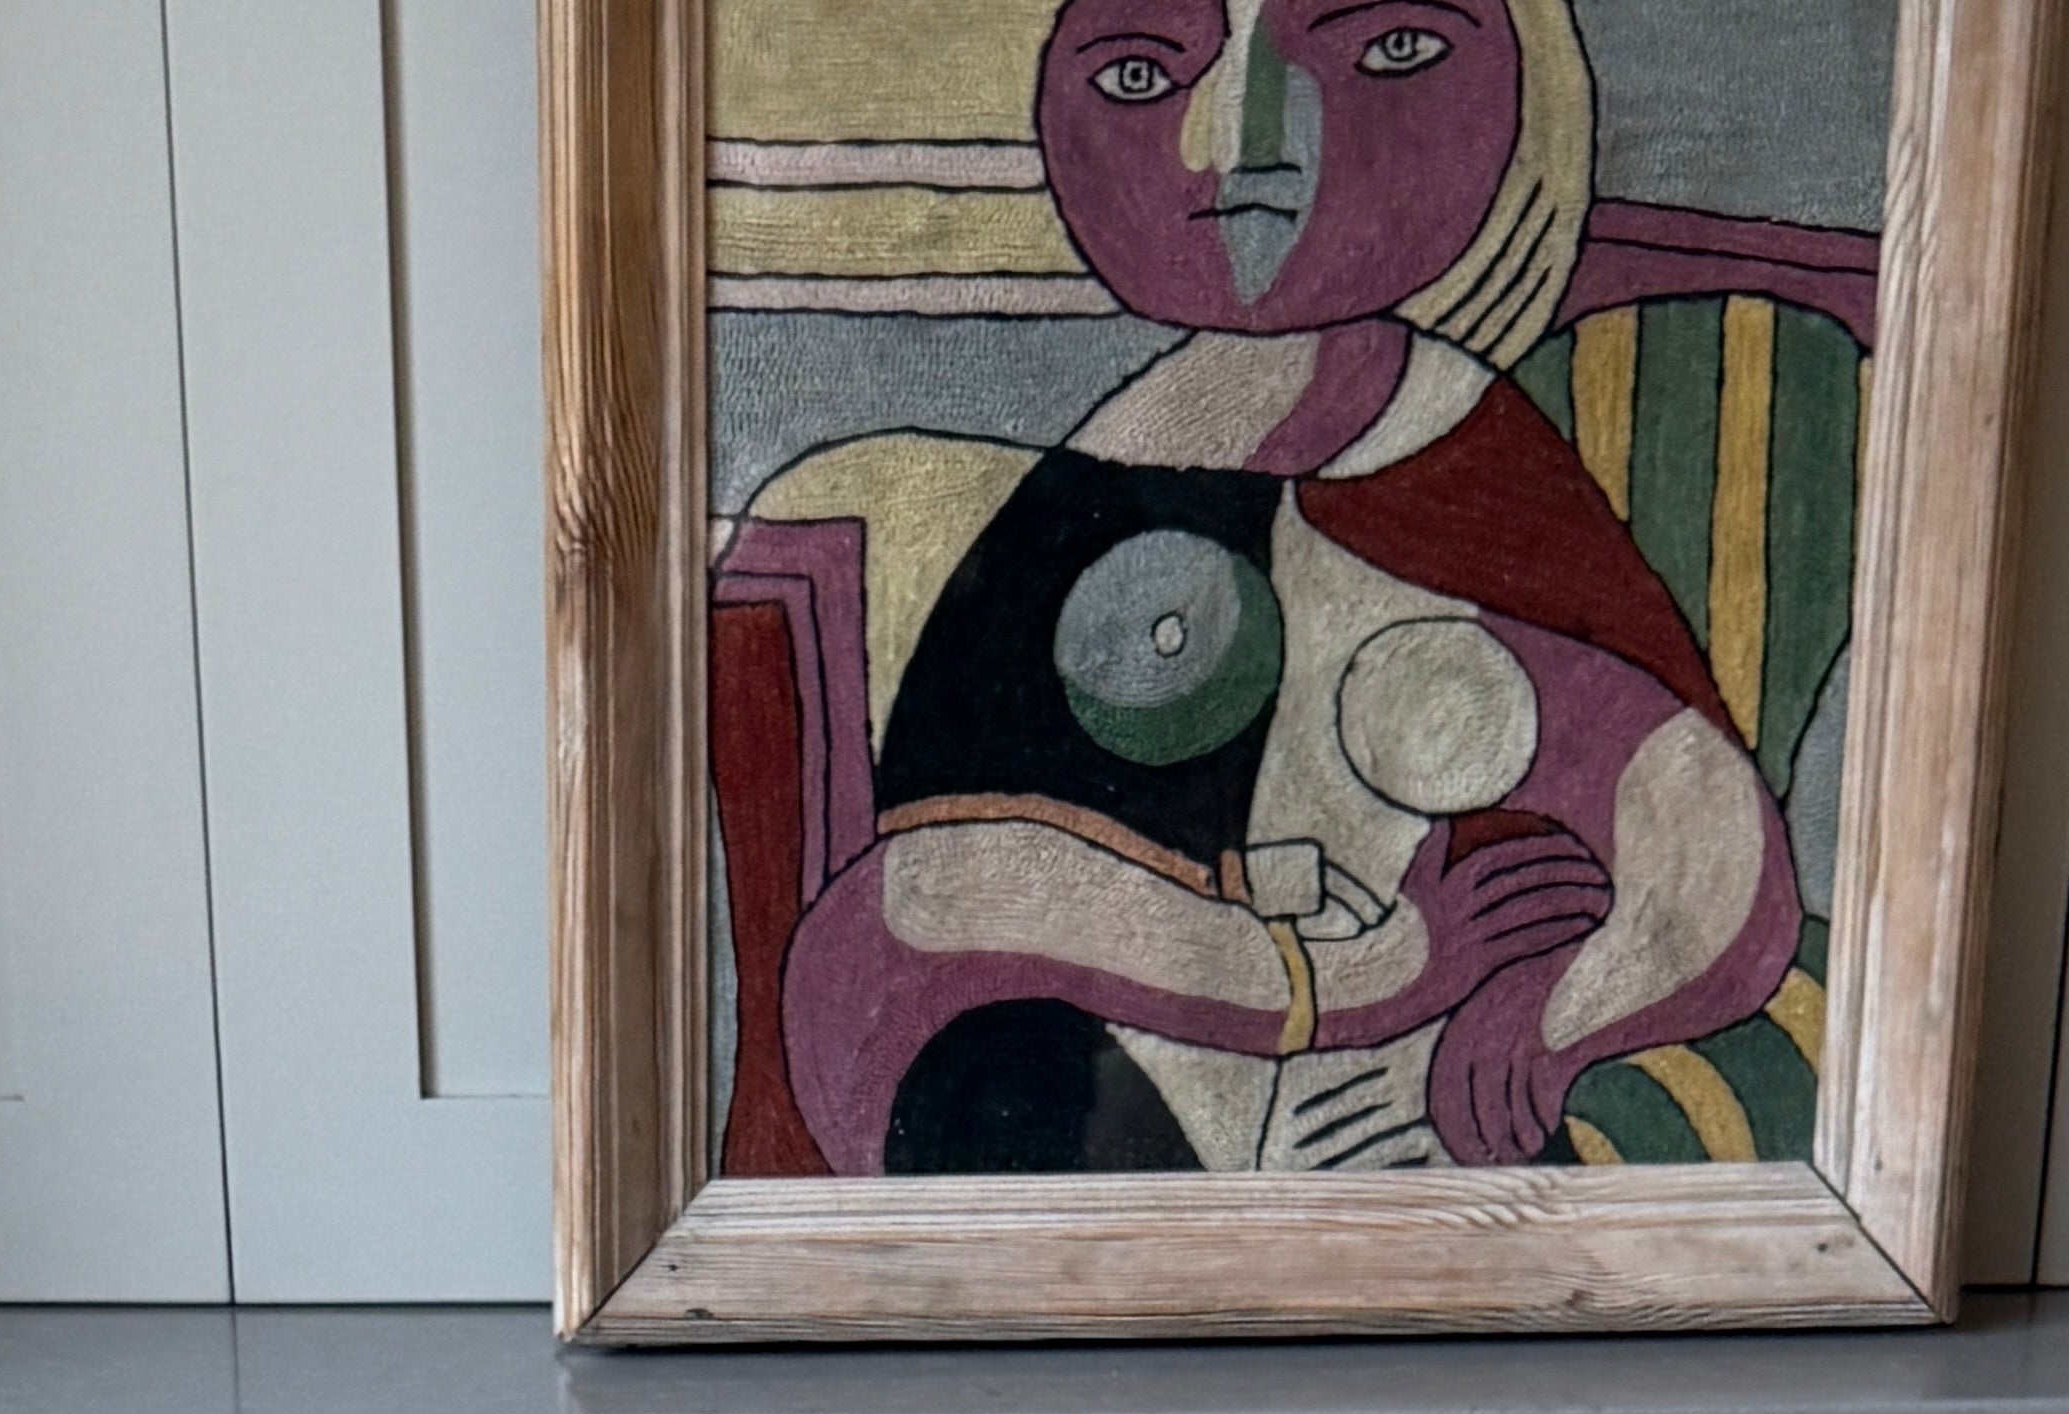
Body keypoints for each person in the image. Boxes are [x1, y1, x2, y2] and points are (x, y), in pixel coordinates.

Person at [714, 0, 1797, 1180]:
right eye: (1140, 74)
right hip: (1069, 1133)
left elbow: (1708, 849)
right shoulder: (1100, 479)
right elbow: (913, 917)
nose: (1240, 144)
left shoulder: (1467, 467)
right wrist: (1344, 982)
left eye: (1388, 52)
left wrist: (1557, 1014)